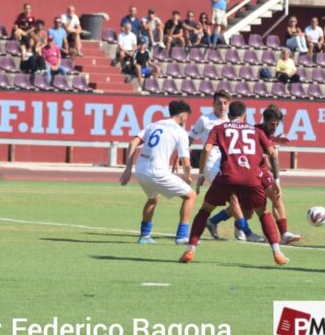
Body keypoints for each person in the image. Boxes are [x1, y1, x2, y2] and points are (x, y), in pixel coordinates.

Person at [181, 100, 289, 266]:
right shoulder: (255, 130)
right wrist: (276, 180)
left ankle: (190, 249)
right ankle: (277, 251)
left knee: (205, 210)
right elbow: (273, 154)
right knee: (263, 212)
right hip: (251, 178)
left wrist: (201, 174)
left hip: (227, 176)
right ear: (245, 115)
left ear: (229, 115)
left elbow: (207, 149)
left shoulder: (219, 128)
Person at [119, 100, 196, 245]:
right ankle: (181, 236)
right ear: (183, 116)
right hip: (157, 171)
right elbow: (186, 162)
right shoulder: (180, 132)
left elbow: (132, 142)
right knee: (190, 195)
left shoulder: (154, 125)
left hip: (141, 170)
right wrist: (187, 177)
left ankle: (144, 236)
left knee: (153, 198)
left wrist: (128, 168)